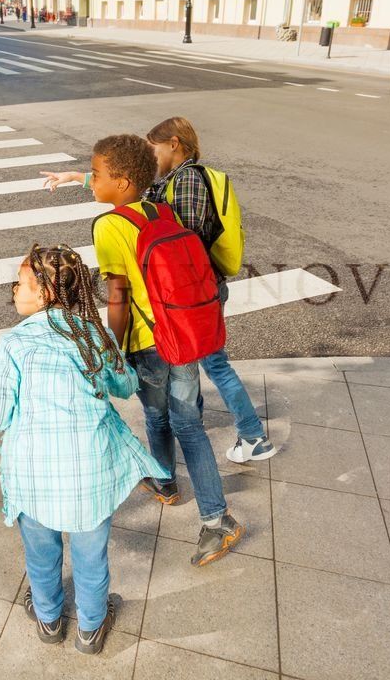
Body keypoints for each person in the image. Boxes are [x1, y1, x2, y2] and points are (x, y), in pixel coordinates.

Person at [0, 244, 169, 655]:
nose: (14, 290)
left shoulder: (15, 344)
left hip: (33, 475)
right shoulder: (92, 334)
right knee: (91, 557)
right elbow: (125, 385)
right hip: (90, 473)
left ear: (44, 292)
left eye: (20, 283)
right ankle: (91, 629)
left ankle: (48, 620)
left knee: (41, 555)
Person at [42, 119, 276, 464]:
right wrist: (80, 178)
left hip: (193, 296)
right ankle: (202, 424)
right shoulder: (169, 182)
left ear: (174, 144)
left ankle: (252, 434)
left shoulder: (188, 181)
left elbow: (186, 243)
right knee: (200, 365)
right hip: (187, 297)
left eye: (153, 148)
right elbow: (135, 191)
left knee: (214, 364)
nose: (150, 156)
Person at [86, 134, 244, 567]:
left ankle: (215, 517)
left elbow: (117, 296)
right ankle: (165, 483)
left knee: (166, 418)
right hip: (183, 334)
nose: (91, 181)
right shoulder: (160, 207)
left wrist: (111, 348)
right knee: (180, 420)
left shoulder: (108, 226)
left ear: (120, 182)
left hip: (147, 344)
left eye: (96, 174)